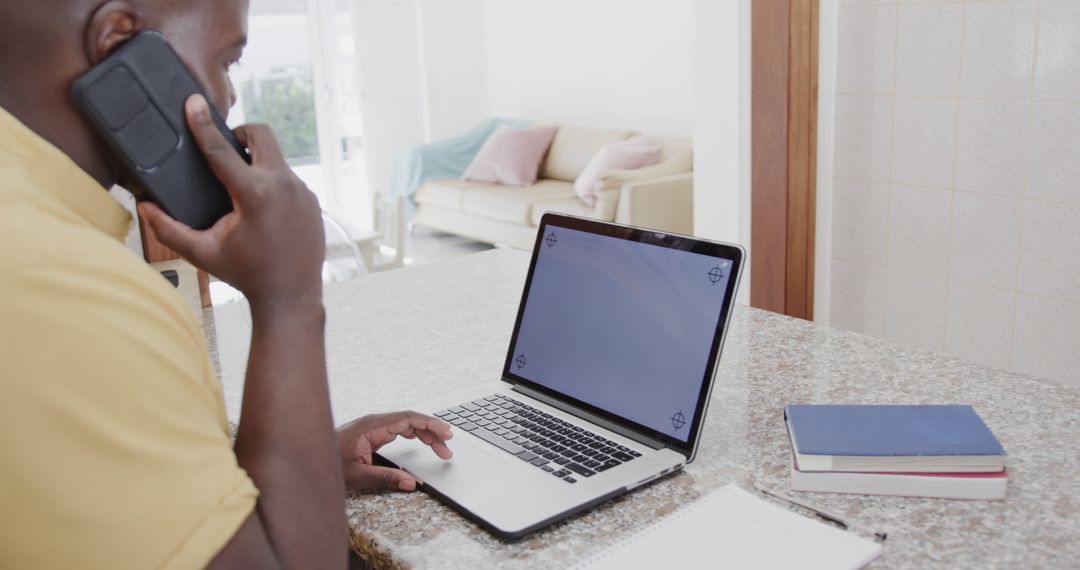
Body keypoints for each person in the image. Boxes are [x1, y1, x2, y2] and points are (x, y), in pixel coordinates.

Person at [0, 1, 453, 568]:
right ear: (120, 46)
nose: (230, 97)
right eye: (228, 60)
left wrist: (305, 465)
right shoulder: (64, 286)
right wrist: (287, 298)